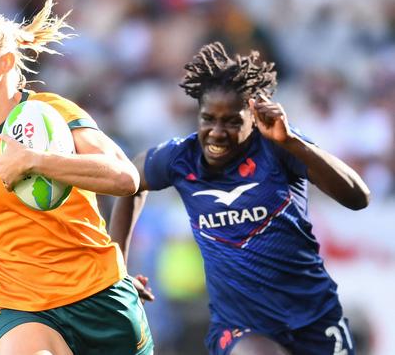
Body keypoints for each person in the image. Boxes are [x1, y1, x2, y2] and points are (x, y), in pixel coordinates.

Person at [110, 42, 370, 355]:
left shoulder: (279, 148)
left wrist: (293, 143)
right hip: (240, 324)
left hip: (313, 313)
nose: (217, 132)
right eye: (208, 119)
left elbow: (358, 197)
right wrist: (118, 271)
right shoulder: (181, 158)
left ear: (253, 117)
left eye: (232, 121)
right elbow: (130, 180)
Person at [0, 0, 154, 354]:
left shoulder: (52, 113)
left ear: (5, 63)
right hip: (19, 307)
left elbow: (124, 178)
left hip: (98, 297)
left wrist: (37, 161)